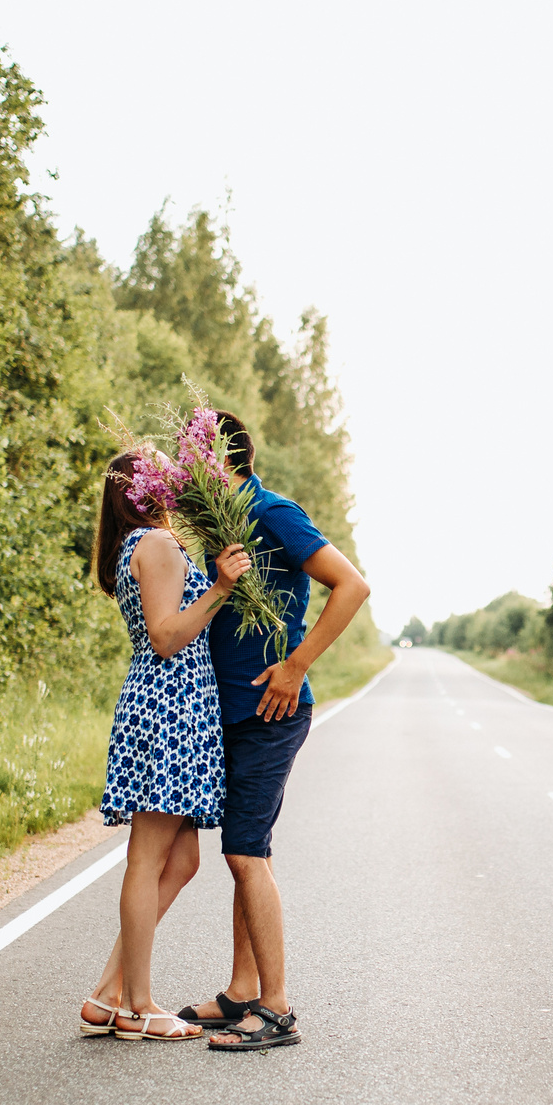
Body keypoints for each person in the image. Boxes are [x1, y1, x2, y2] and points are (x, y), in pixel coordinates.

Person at [178, 410, 370, 1052]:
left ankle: (278, 1008)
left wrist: (295, 665)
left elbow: (352, 585)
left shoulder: (274, 513)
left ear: (220, 461)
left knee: (245, 851)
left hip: (273, 712)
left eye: (190, 459)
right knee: (245, 849)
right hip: (230, 709)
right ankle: (241, 992)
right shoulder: (220, 527)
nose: (181, 472)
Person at [79, 450, 252, 1042]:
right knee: (148, 858)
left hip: (179, 705)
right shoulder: (154, 544)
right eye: (161, 470)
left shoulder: (149, 543)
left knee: (181, 860)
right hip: (168, 707)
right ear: (141, 490)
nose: (174, 476)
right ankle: (137, 1006)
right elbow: (166, 636)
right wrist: (223, 586)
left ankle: (107, 994)